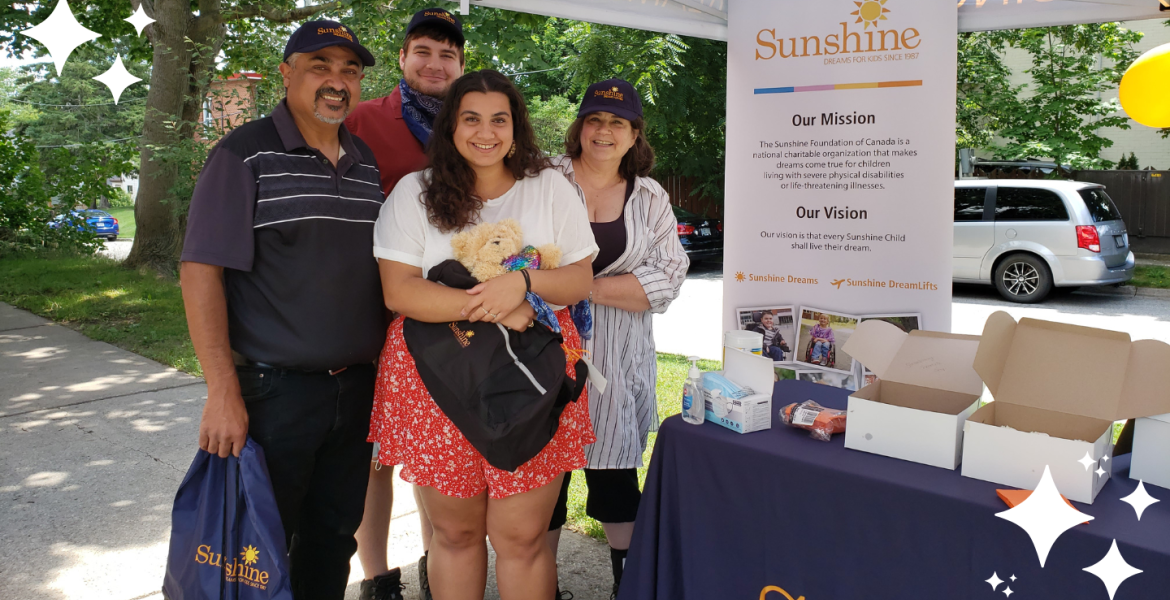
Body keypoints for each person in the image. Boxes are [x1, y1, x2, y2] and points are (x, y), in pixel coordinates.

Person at [369, 70, 598, 600]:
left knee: (521, 536)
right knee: (456, 533)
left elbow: (581, 277)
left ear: (517, 128)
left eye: (500, 119)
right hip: (438, 380)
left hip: (532, 377)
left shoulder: (551, 189)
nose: (486, 132)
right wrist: (494, 310)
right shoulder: (414, 193)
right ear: (451, 126)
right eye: (471, 118)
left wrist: (522, 282)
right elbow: (399, 291)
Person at [179, 21, 383, 600]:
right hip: (275, 395)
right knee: (257, 552)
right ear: (287, 72)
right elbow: (201, 273)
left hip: (356, 391)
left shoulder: (364, 161)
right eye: (320, 66)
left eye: (349, 70)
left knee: (332, 541)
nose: (337, 82)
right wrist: (222, 391)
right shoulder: (243, 155)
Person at [547, 78, 689, 600]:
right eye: (595, 119)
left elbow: (668, 278)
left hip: (617, 357)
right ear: (580, 126)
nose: (604, 131)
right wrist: (609, 288)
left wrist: (578, 286)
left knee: (614, 482)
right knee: (547, 485)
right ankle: (543, 586)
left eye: (618, 123)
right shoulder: (544, 178)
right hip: (544, 355)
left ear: (634, 136)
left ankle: (626, 588)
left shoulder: (649, 196)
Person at [344, 8, 465, 599]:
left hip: (448, 316)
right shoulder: (364, 121)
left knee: (433, 444)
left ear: (461, 65)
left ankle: (435, 563)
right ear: (402, 58)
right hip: (373, 308)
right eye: (424, 51)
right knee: (375, 453)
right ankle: (377, 576)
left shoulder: (475, 125)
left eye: (447, 55)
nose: (435, 63)